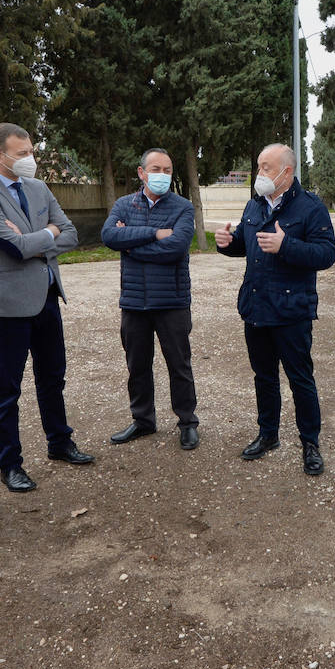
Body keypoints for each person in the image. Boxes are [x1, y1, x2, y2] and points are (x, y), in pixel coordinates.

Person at [0, 122, 88, 493]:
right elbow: (12, 248)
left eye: (31, 151)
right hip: (9, 306)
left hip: (47, 297)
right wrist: (48, 233)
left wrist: (42, 235)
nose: (30, 159)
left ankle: (60, 442)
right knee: (8, 387)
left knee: (53, 377)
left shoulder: (38, 187)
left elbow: (72, 234)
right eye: (22, 153)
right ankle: (10, 463)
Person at [215, 144, 335, 475]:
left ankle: (310, 443)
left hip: (291, 311)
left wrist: (287, 246)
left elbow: (327, 254)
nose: (260, 174)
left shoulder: (310, 208)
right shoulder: (254, 204)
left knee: (300, 379)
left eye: (267, 168)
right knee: (264, 377)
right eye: (259, 167)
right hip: (256, 307)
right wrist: (226, 244)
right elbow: (244, 242)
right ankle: (268, 435)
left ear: (287, 171)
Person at [101, 149, 200, 450]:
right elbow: (109, 237)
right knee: (137, 366)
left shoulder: (183, 207)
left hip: (172, 302)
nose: (162, 174)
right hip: (134, 303)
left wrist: (131, 243)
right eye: (156, 168)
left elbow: (176, 247)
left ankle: (187, 422)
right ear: (142, 173)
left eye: (168, 169)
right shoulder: (123, 204)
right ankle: (143, 421)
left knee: (179, 366)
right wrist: (156, 233)